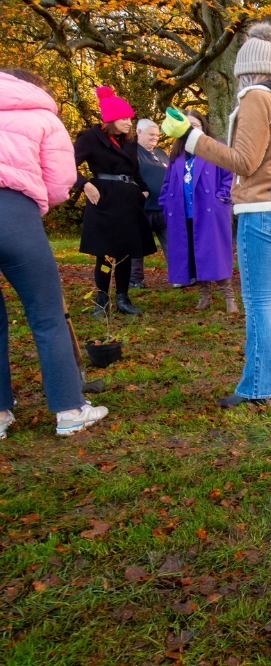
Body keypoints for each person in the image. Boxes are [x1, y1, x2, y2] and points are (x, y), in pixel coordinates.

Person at [161, 22, 271, 407]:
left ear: (244, 69)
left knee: (258, 301)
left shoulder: (255, 99)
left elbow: (244, 162)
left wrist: (192, 139)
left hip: (263, 211)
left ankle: (256, 387)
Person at [0, 68, 109, 438]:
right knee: (46, 315)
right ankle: (69, 408)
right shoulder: (42, 116)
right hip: (14, 212)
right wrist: (36, 202)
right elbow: (62, 182)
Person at [74, 85, 156, 316]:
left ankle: (123, 298)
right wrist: (85, 184)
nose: (129, 123)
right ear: (111, 118)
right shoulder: (89, 138)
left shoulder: (128, 143)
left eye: (130, 118)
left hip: (129, 201)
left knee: (126, 251)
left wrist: (144, 190)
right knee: (105, 251)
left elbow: (135, 171)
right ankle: (102, 298)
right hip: (104, 198)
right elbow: (67, 165)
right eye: (124, 118)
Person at [159, 110, 236, 313]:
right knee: (194, 255)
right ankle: (204, 297)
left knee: (215, 254)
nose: (192, 129)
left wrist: (221, 197)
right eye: (188, 125)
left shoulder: (216, 149)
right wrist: (166, 204)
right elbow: (167, 183)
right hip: (183, 214)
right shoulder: (177, 154)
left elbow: (232, 175)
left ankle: (229, 298)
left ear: (203, 127)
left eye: (196, 125)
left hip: (210, 212)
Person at [130, 118, 170, 289]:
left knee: (172, 243)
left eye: (157, 135)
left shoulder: (161, 153)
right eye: (151, 134)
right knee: (137, 247)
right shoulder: (132, 152)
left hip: (164, 209)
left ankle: (179, 276)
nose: (155, 138)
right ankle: (135, 279)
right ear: (139, 132)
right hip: (142, 209)